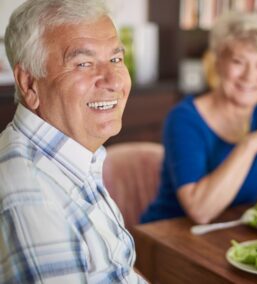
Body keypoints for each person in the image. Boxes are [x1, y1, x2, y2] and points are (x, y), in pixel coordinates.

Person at [0, 0, 146, 282]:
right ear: (29, 84)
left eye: (116, 59)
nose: (113, 81)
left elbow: (119, 270)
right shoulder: (31, 198)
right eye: (83, 63)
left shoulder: (71, 155)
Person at [141, 12, 257, 224]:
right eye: (238, 61)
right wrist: (251, 144)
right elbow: (200, 210)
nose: (249, 76)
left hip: (226, 239)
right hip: (166, 238)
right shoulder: (184, 119)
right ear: (218, 63)